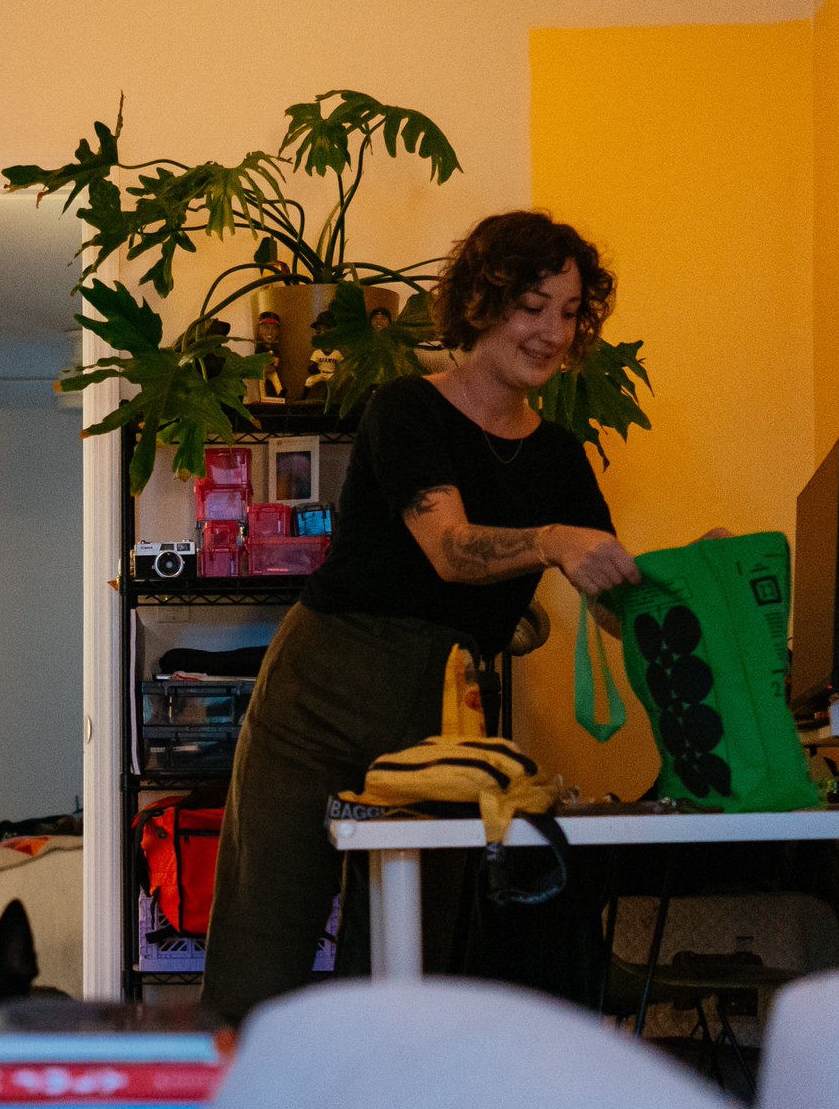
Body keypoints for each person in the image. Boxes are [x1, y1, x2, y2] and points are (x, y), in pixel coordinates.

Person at [201, 210, 640, 1027]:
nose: (551, 331)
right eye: (532, 306)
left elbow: (615, 606)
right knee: (259, 955)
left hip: (446, 719)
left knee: (406, 972)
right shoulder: (406, 408)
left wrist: (691, 583)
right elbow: (450, 548)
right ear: (481, 302)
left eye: (570, 311)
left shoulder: (559, 457)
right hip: (319, 693)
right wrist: (550, 540)